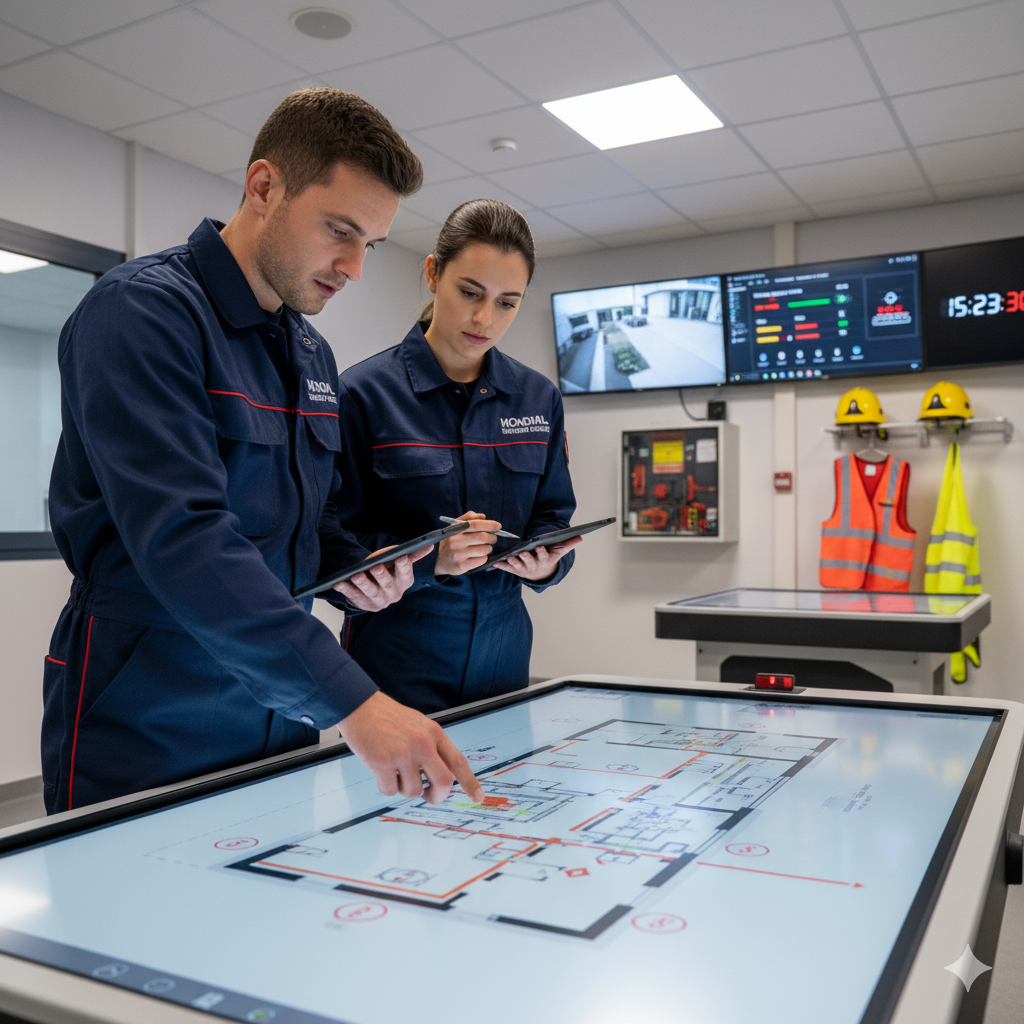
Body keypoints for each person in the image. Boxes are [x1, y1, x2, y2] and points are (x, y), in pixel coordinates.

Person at [42, 88, 483, 814]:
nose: (353, 267)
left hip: (280, 707)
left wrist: (352, 571)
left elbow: (305, 525)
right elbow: (185, 539)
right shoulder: (142, 313)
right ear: (264, 187)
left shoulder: (310, 349)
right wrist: (353, 702)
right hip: (150, 701)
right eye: (339, 230)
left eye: (368, 244)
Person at [328, 199, 580, 714]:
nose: (485, 319)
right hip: (396, 662)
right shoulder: (362, 395)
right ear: (432, 273)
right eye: (470, 293)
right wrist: (431, 560)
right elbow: (331, 541)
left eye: (508, 303)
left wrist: (544, 564)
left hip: (505, 658)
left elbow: (555, 518)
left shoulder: (537, 398)